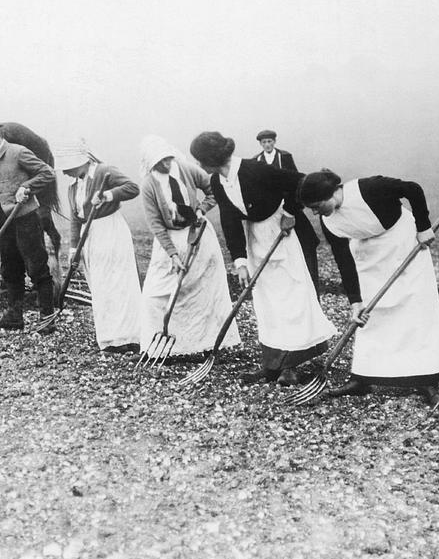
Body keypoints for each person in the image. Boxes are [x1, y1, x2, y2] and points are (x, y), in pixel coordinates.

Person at [189, 131, 335, 385]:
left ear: (213, 158)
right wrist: (240, 261)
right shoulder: (217, 181)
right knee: (266, 300)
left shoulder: (255, 170)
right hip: (255, 237)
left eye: (202, 160)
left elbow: (301, 182)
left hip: (284, 233)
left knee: (292, 298)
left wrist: (290, 211)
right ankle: (272, 364)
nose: (200, 165)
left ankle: (293, 364)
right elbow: (230, 219)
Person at [297, 170, 439, 406]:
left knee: (416, 311)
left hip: (404, 243)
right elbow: (343, 261)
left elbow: (412, 188)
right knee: (370, 315)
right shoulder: (329, 222)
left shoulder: (370, 188)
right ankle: (362, 378)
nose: (315, 212)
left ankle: (427, 380)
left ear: (331, 192)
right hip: (368, 257)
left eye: (316, 205)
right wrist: (355, 301)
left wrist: (424, 226)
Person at [138, 136, 241, 358]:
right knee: (156, 294)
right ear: (151, 163)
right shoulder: (148, 185)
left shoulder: (185, 168)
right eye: (161, 161)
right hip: (169, 241)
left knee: (204, 292)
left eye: (168, 158)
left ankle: (208, 345)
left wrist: (202, 209)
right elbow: (155, 223)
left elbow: (214, 189)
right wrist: (173, 254)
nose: (167, 163)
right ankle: (157, 347)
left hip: (198, 235)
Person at [0, 115, 56, 331]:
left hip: (25, 219)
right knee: (10, 269)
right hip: (2, 224)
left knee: (36, 266)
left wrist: (26, 186)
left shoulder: (18, 152)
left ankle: (47, 316)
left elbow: (47, 173)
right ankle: (14, 315)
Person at [56, 146, 142, 353]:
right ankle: (110, 337)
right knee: (100, 284)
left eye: (67, 167)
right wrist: (73, 249)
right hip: (90, 234)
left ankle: (130, 336)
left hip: (110, 229)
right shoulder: (73, 187)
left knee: (118, 282)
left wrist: (108, 195)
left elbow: (132, 188)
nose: (64, 172)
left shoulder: (104, 171)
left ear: (79, 161)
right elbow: (76, 220)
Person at [253, 129, 320, 293]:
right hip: (270, 208)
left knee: (306, 240)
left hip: (289, 204)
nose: (267, 145)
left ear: (274, 142)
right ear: (260, 144)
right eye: (264, 142)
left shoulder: (285, 157)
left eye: (270, 141)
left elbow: (296, 179)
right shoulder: (256, 160)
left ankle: (311, 285)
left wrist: (291, 206)